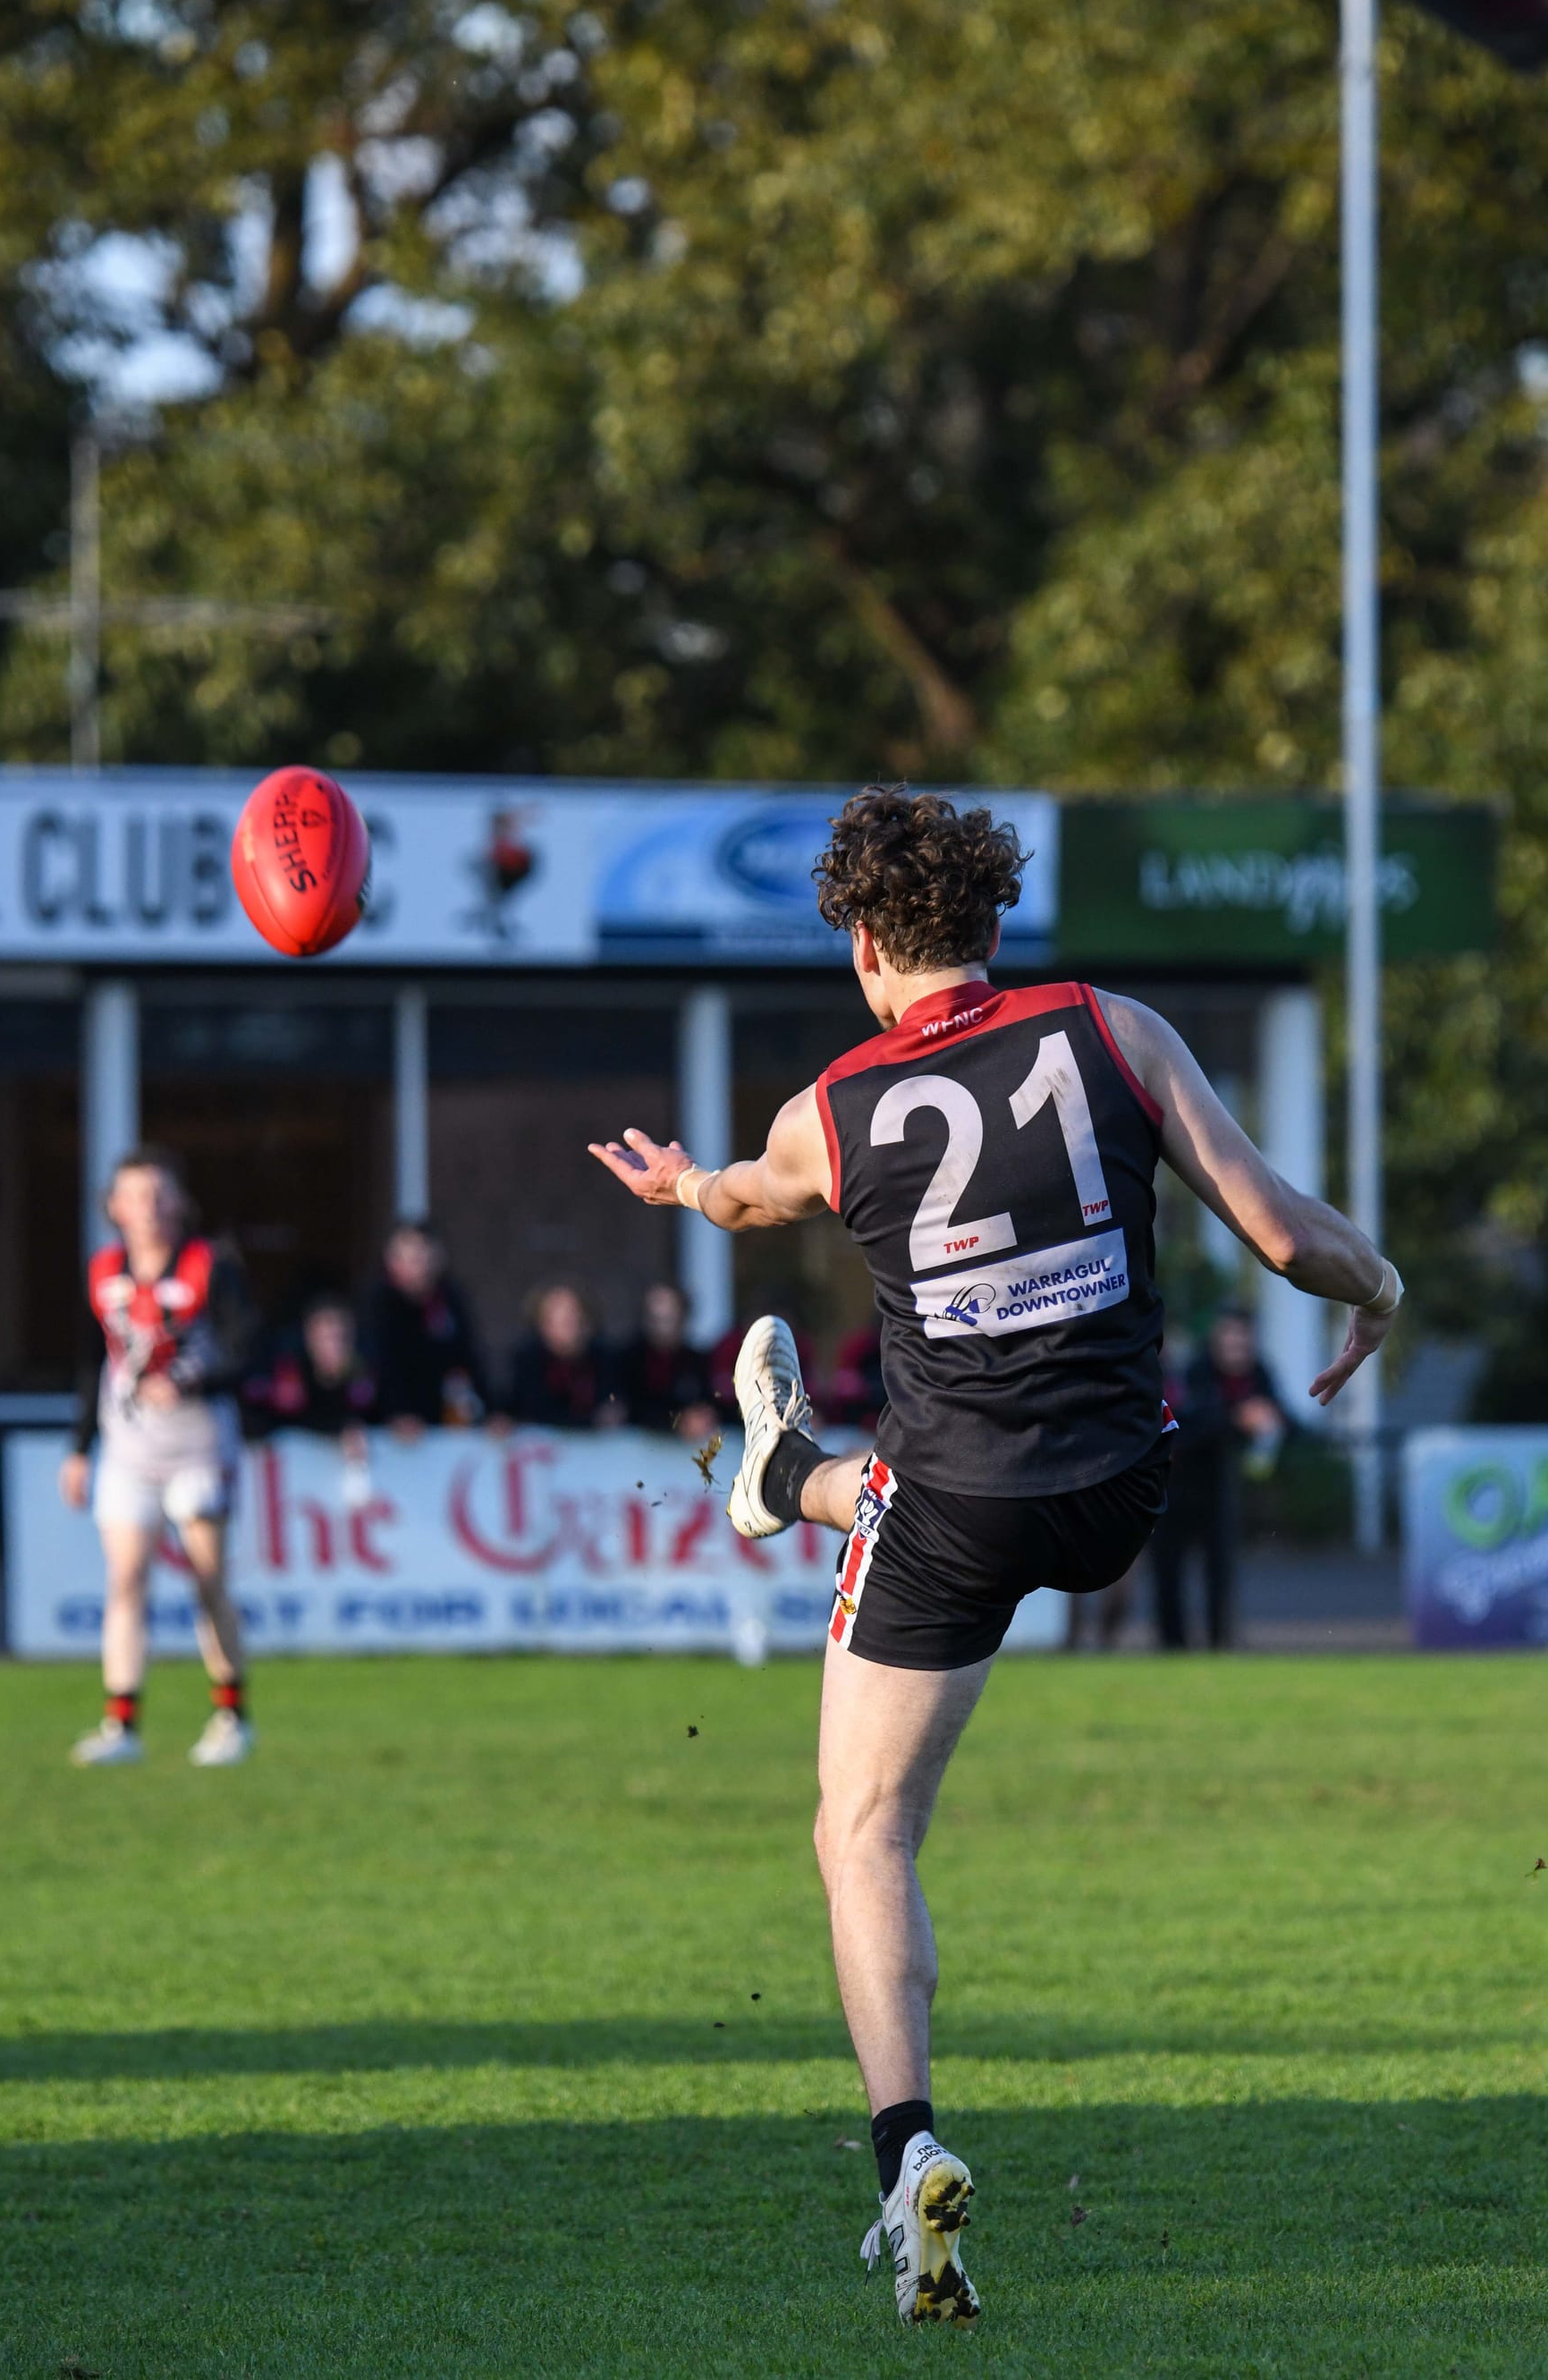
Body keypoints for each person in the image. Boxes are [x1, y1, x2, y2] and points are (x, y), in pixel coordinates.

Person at [589, 783, 1400, 2331]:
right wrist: (1384, 1284)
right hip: (1118, 1490)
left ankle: (911, 2157)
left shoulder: (829, 1110)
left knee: (864, 1831)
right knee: (893, 1496)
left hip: (952, 1513)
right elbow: (1283, 1237)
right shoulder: (1113, 1029)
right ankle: (793, 1472)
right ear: (993, 925)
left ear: (865, 939)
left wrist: (682, 1183)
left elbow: (750, 1202)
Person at [60, 1146, 257, 1769]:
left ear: (179, 1202)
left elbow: (245, 1348)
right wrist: (80, 1449)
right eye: (135, 1195)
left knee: (206, 1581)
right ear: (113, 1206)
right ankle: (122, 1723)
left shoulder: (209, 1266)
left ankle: (231, 1715)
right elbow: (93, 1364)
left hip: (199, 1445)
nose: (148, 1208)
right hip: (129, 1450)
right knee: (126, 1581)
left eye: (159, 1193)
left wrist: (191, 1382)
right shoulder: (102, 1274)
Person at [1153, 1304, 1284, 1650]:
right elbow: (1184, 1425)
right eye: (1230, 1337)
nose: (1237, 1347)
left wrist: (1272, 1422)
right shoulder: (1196, 1372)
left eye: (1244, 1339)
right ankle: (1172, 1646)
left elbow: (1282, 1417)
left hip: (1218, 1487)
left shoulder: (1260, 1373)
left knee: (1219, 1570)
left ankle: (1218, 1643)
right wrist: (1236, 1418)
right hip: (1175, 1485)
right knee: (1169, 1569)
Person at [360, 1220, 487, 1435]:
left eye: (421, 1256)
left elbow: (468, 1359)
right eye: (407, 1257)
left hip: (441, 1426)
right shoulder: (375, 1304)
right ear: (390, 1260)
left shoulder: (450, 1301)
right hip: (387, 1429)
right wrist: (396, 1413)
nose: (416, 1266)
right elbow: (374, 1365)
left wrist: (488, 1410)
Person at [243, 1292, 375, 1451]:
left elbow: (378, 1417)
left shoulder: (363, 1373)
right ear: (310, 1336)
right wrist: (338, 1430)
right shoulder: (289, 1373)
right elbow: (268, 1421)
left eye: (343, 1337)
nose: (336, 1346)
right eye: (328, 1338)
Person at [612, 1281, 716, 1438]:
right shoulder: (627, 1360)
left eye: (668, 1317)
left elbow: (712, 1406)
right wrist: (677, 1422)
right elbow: (623, 1409)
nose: (661, 1325)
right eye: (655, 1317)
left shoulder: (698, 1362)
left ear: (683, 1318)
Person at [507, 1283, 620, 1428]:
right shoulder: (527, 1359)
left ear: (587, 1324)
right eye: (552, 1322)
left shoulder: (606, 1357)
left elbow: (613, 1400)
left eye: (569, 1321)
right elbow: (528, 1409)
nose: (561, 1330)